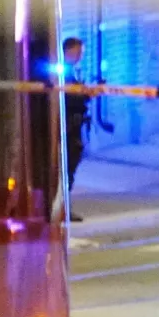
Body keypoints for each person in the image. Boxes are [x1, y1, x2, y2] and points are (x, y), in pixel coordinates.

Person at [62, 37, 90, 222]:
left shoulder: (72, 71)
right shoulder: (62, 72)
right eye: (77, 52)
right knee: (66, 166)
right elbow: (67, 98)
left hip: (75, 125)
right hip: (67, 127)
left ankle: (65, 206)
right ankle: (63, 207)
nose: (80, 56)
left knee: (71, 166)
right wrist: (83, 93)